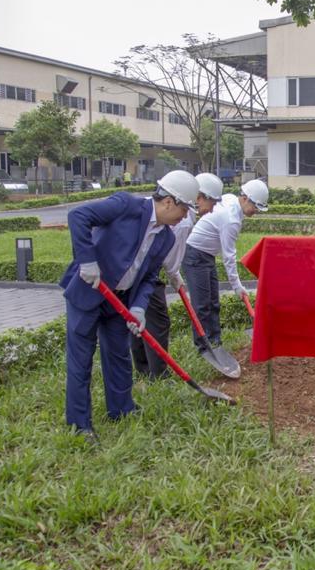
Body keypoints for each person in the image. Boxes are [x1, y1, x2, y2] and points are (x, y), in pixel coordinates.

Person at [59, 170, 199, 441]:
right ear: (169, 202)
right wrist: (86, 260)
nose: (185, 216)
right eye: (184, 209)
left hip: (119, 300)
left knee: (119, 355)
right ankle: (79, 425)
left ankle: (121, 409)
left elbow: (148, 277)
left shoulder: (166, 237)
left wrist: (138, 308)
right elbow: (78, 216)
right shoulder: (126, 205)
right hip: (88, 292)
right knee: (81, 359)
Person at [131, 172, 224, 379]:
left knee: (138, 318)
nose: (212, 209)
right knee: (159, 322)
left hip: (136, 270)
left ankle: (143, 369)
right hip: (146, 273)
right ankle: (158, 374)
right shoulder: (183, 221)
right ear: (198, 198)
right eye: (212, 203)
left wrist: (174, 275)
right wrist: (174, 276)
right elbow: (168, 257)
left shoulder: (174, 213)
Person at [183, 178, 268, 351]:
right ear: (244, 199)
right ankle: (204, 348)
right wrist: (237, 286)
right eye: (255, 207)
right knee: (202, 305)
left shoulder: (230, 199)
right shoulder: (231, 219)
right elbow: (229, 256)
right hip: (194, 255)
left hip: (207, 256)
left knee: (213, 303)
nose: (255, 212)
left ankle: (215, 343)